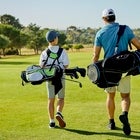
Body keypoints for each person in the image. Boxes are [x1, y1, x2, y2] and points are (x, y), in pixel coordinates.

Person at [93, 8, 140, 135]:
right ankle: (124, 114)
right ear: (114, 17)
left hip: (108, 71)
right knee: (125, 96)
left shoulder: (100, 33)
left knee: (110, 96)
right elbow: (139, 46)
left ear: (104, 19)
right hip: (124, 69)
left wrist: (94, 72)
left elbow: (96, 56)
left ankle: (111, 122)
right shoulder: (126, 29)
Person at [39, 30, 69, 128]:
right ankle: (59, 112)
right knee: (60, 98)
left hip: (49, 78)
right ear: (55, 39)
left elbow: (41, 66)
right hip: (60, 78)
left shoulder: (44, 52)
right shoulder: (62, 51)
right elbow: (66, 65)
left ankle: (52, 122)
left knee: (50, 100)